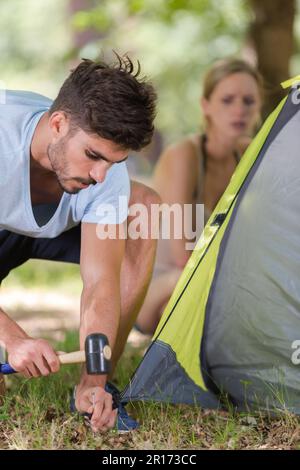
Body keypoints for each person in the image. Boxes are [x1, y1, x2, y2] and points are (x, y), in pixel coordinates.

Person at [0, 54, 160, 432]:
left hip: (60, 228)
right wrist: (15, 339)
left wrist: (95, 379)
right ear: (58, 124)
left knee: (144, 208)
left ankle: (96, 385)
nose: (101, 175)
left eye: (113, 162)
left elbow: (101, 284)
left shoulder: (107, 176)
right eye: (92, 156)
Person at [135, 58, 263, 335]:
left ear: (259, 106)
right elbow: (185, 258)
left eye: (249, 101)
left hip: (212, 283)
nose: (239, 110)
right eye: (227, 100)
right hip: (162, 283)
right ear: (206, 106)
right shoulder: (185, 156)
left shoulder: (250, 154)